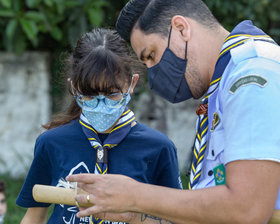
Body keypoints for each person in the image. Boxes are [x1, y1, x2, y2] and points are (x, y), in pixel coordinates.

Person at [66, 0, 280, 223]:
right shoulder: (224, 84)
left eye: (151, 55)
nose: (153, 71)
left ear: (181, 28)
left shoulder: (252, 79)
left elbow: (247, 210)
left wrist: (135, 195)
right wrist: (136, 216)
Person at [16, 28, 182, 224]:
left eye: (112, 94)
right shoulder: (51, 143)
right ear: (74, 87)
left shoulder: (159, 147)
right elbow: (34, 216)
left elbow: (176, 218)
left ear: (132, 83)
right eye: (89, 95)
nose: (101, 105)